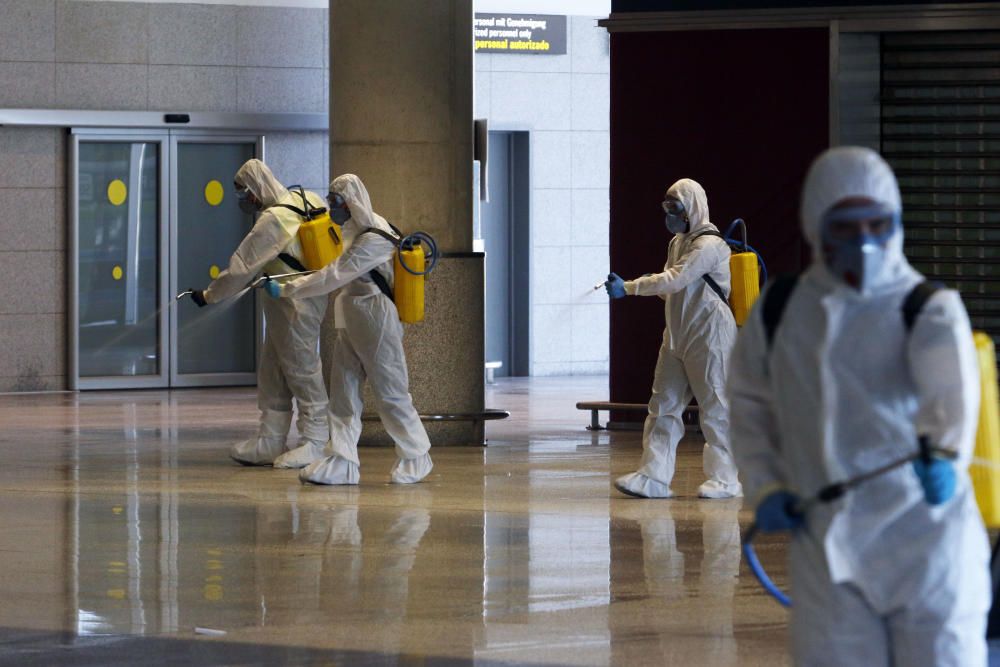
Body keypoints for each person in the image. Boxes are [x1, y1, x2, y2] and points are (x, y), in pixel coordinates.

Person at [729, 146, 989, 666]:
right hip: (829, 550)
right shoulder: (781, 311)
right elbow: (749, 406)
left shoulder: (927, 309)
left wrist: (946, 461)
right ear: (815, 226)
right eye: (846, 226)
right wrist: (766, 484)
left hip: (928, 543)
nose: (864, 241)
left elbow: (952, 412)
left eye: (878, 223)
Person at [265, 173, 433, 485]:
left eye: (336, 201)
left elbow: (334, 275)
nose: (332, 207)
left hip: (377, 316)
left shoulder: (373, 236)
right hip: (353, 316)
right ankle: (342, 460)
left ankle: (417, 455)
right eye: (330, 201)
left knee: (391, 392)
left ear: (352, 201)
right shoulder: (350, 230)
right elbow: (333, 271)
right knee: (343, 393)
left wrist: (290, 288)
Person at [605, 178, 742, 499]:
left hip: (711, 335)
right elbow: (671, 288)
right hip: (678, 334)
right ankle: (653, 475)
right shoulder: (677, 243)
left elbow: (675, 279)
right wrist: (657, 288)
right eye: (666, 208)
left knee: (717, 407)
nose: (670, 215)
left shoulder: (711, 245)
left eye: (676, 208)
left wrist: (629, 287)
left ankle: (726, 479)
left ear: (692, 207)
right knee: (662, 406)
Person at [189, 159, 329, 466]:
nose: (244, 200)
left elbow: (242, 267)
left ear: (256, 188)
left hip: (294, 303)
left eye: (244, 192)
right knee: (274, 367)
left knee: (302, 368)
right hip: (299, 298)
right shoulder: (306, 199)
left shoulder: (274, 220)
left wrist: (210, 295)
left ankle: (316, 440)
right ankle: (270, 439)